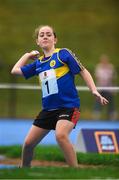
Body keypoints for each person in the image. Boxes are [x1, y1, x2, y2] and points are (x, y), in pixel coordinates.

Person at [11, 25, 108, 168]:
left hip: (68, 107)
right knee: (28, 144)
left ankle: (74, 172)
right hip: (48, 110)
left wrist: (94, 90)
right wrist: (27, 55)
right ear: (37, 41)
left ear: (55, 39)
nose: (45, 36)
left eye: (49, 34)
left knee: (61, 136)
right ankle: (24, 170)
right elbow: (15, 70)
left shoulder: (63, 54)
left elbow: (83, 71)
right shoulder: (38, 63)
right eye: (41, 35)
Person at [93, 54, 117, 120]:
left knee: (111, 103)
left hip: (109, 89)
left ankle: (112, 118)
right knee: (98, 103)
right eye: (103, 60)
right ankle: (96, 118)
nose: (104, 61)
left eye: (105, 60)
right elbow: (97, 77)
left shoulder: (111, 67)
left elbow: (112, 78)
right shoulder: (98, 67)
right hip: (100, 88)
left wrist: (112, 87)